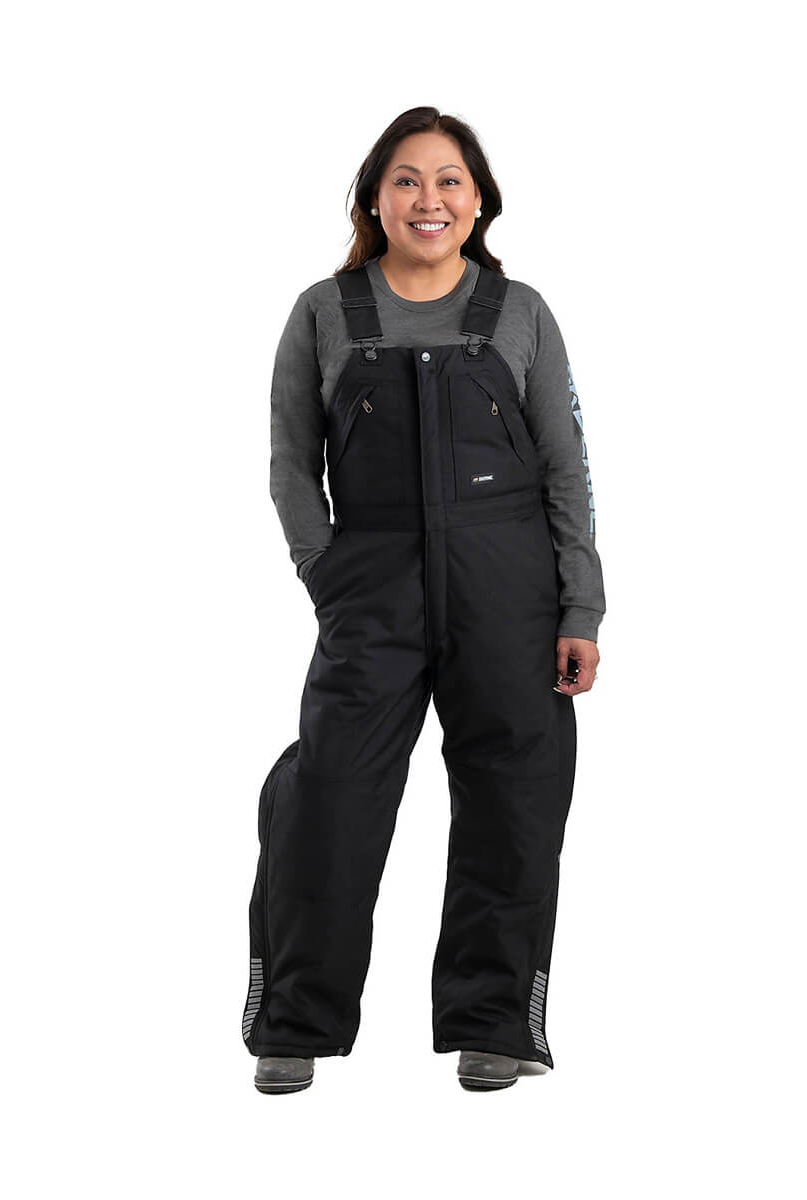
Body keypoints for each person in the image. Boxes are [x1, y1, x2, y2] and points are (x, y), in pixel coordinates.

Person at [243, 107, 606, 1094]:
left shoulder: (519, 311)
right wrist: (326, 573)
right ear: (375, 198)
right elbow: (289, 462)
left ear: (478, 200)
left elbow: (567, 465)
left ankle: (494, 1023)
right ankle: (294, 1021)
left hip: (510, 588)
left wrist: (580, 608)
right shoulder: (326, 311)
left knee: (514, 800)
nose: (428, 199)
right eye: (406, 179)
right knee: (331, 793)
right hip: (372, 585)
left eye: (449, 180)